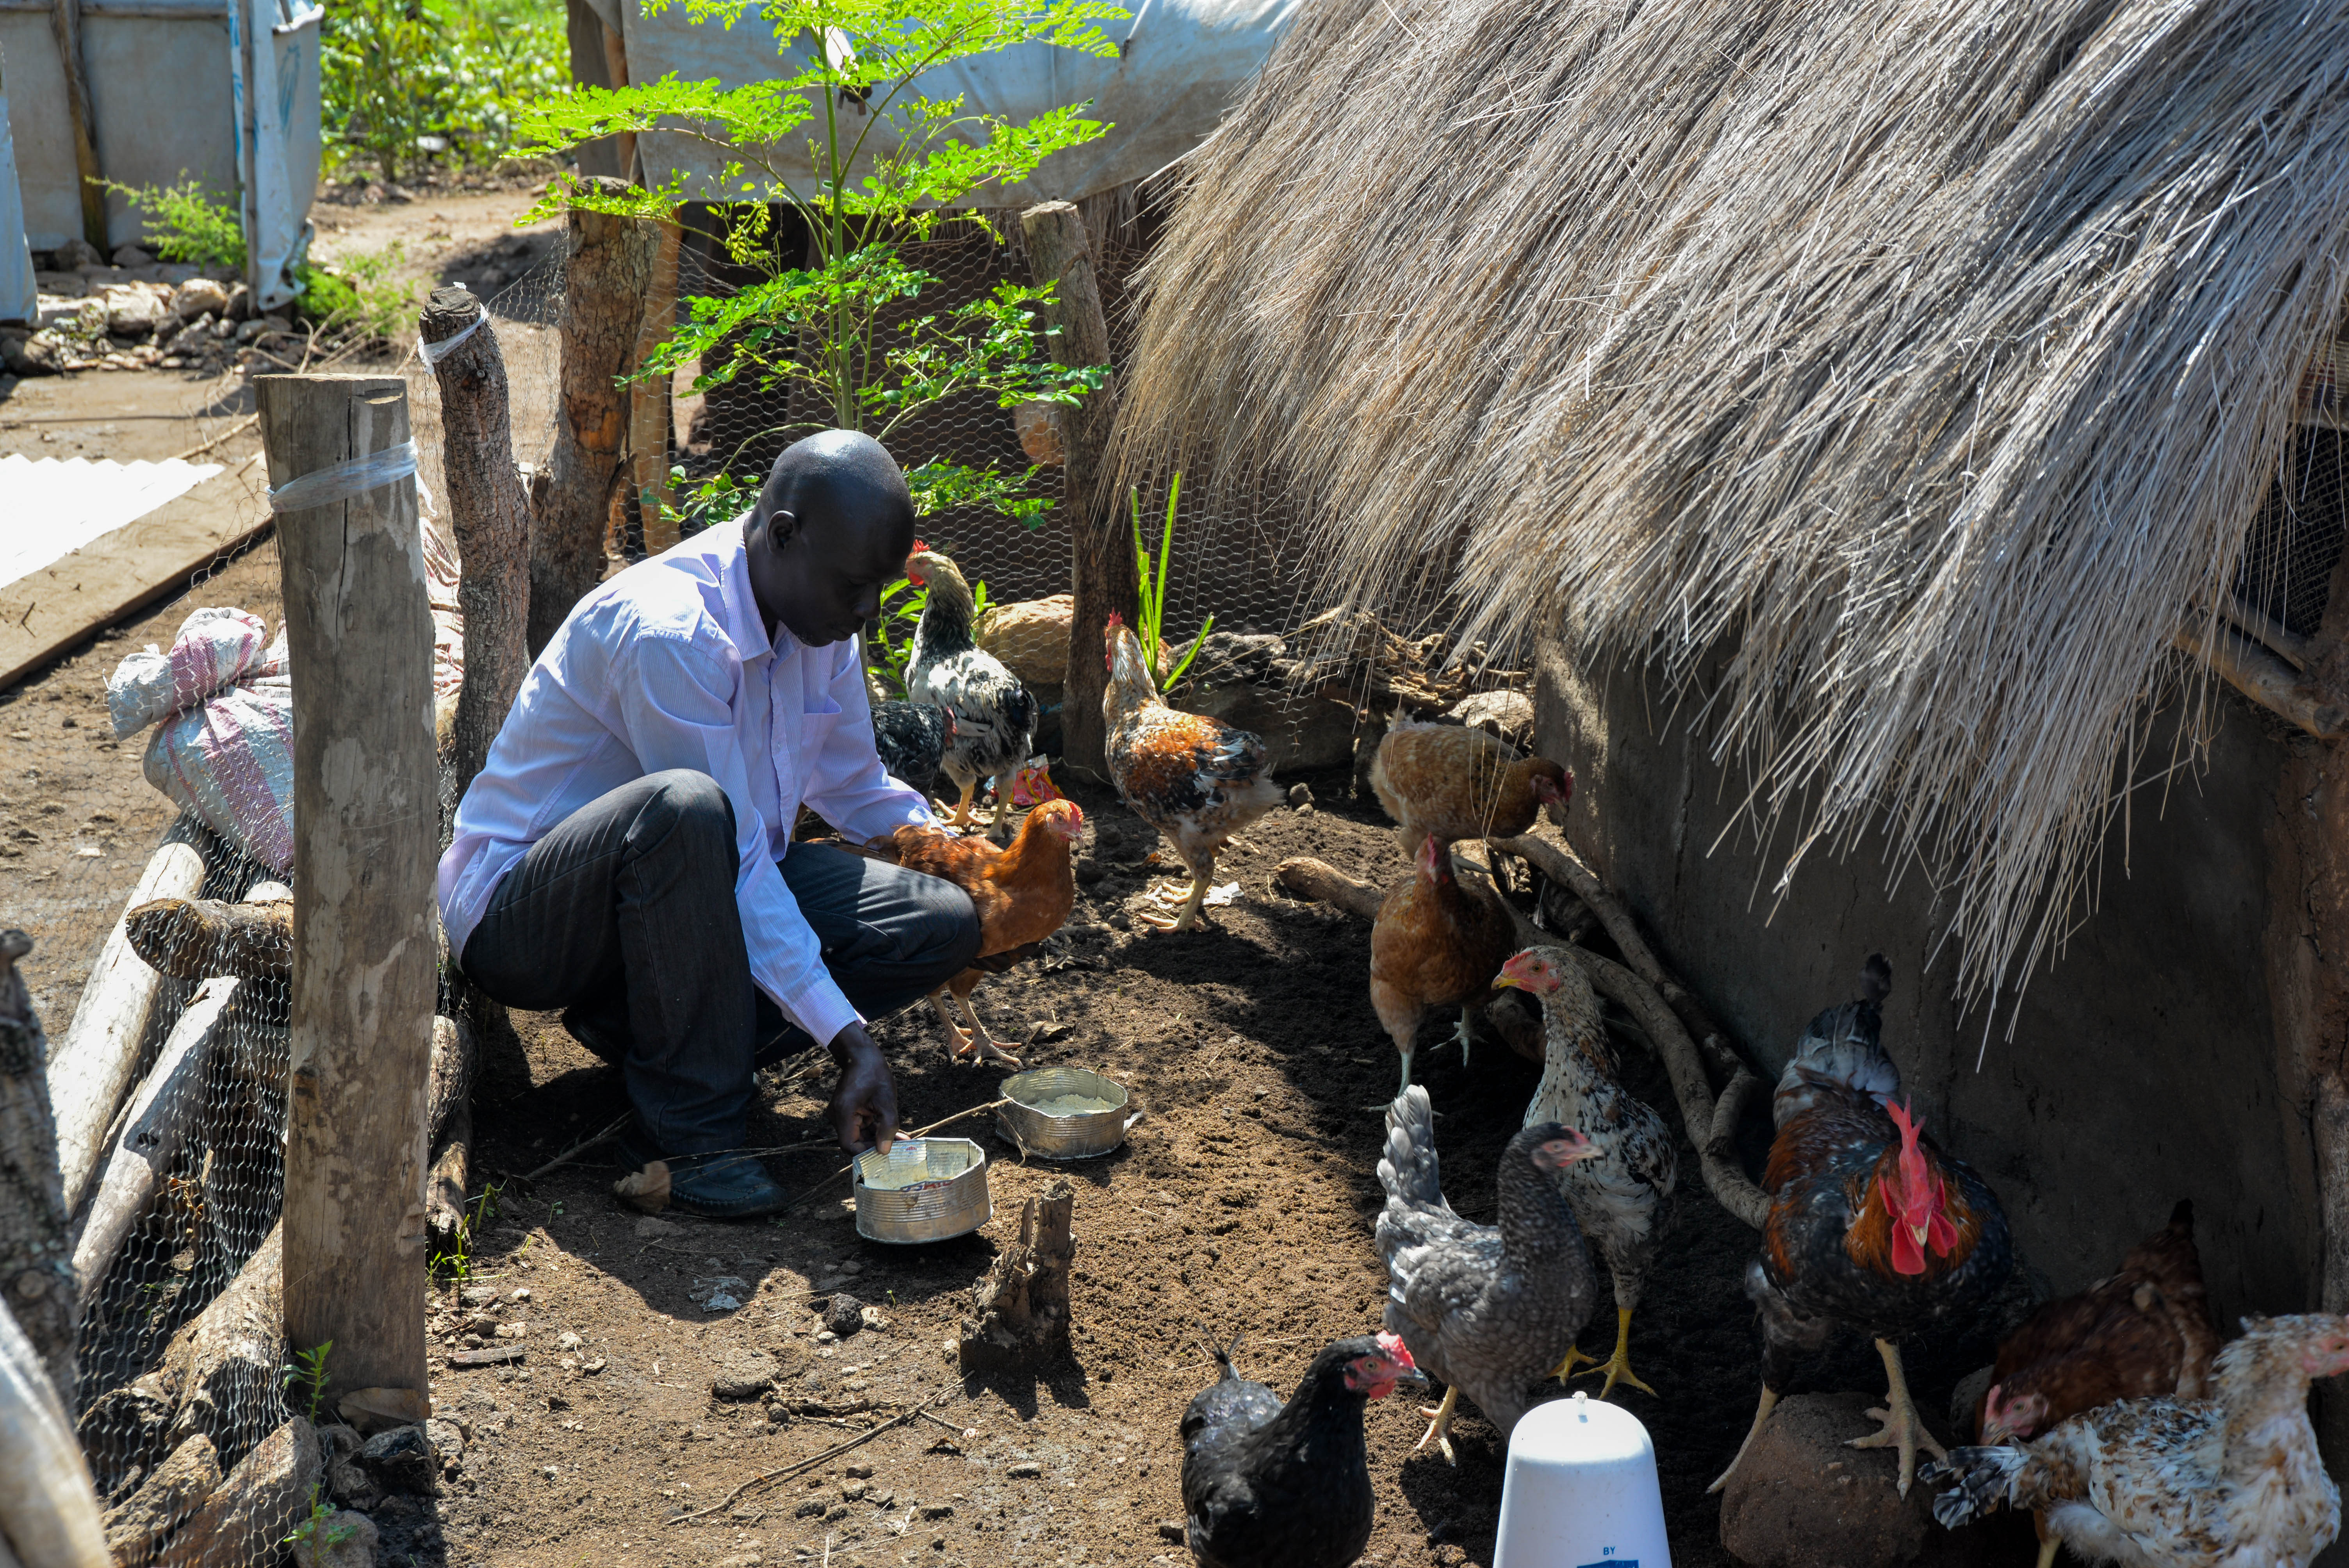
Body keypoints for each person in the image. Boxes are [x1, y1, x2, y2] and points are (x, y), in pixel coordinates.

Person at [438, 431, 981, 1219]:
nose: (866, 612)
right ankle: (686, 1134)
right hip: (527, 915)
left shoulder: (817, 617)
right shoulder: (673, 634)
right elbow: (733, 863)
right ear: (784, 535)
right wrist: (850, 1039)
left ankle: (645, 1033)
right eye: (855, 587)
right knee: (686, 808)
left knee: (939, 922)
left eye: (878, 592)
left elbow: (855, 782)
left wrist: (977, 865)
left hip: (682, 892)